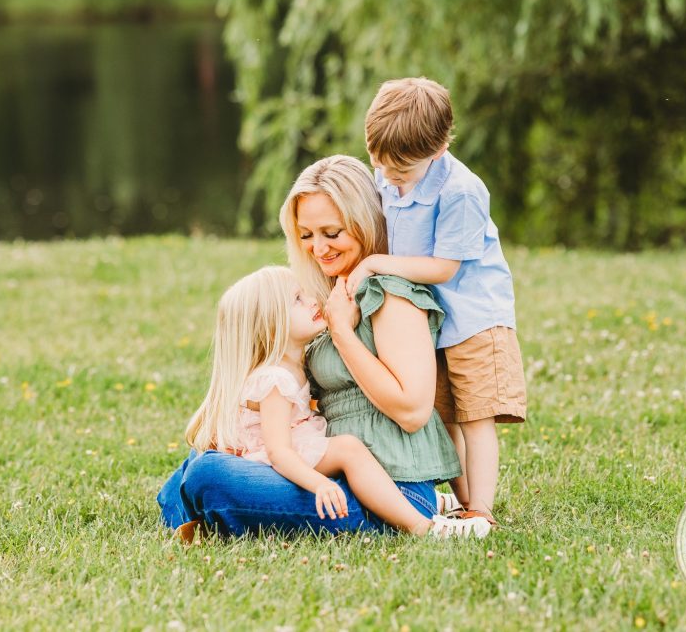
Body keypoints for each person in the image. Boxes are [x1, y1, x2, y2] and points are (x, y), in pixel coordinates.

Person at [158, 155, 468, 537]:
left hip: (392, 491)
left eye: (331, 232)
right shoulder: (331, 291)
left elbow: (413, 411)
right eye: (306, 235)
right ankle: (193, 520)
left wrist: (341, 332)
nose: (318, 249)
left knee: (207, 475)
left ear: (363, 222)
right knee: (201, 459)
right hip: (337, 476)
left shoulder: (389, 294)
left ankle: (201, 516)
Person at [178, 265, 490, 539]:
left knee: (204, 472)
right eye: (297, 300)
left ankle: (424, 515)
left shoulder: (293, 367)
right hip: (286, 457)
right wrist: (319, 484)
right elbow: (279, 451)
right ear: (272, 324)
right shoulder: (274, 379)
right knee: (346, 449)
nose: (312, 300)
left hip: (306, 455)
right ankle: (424, 519)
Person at [345, 77, 528, 526]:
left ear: (440, 147)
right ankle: (464, 501)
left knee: (475, 415)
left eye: (400, 171)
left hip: (473, 319)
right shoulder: (388, 176)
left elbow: (445, 268)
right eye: (380, 164)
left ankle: (480, 511)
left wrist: (374, 265)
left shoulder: (460, 191)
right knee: (442, 413)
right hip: (425, 319)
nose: (388, 177)